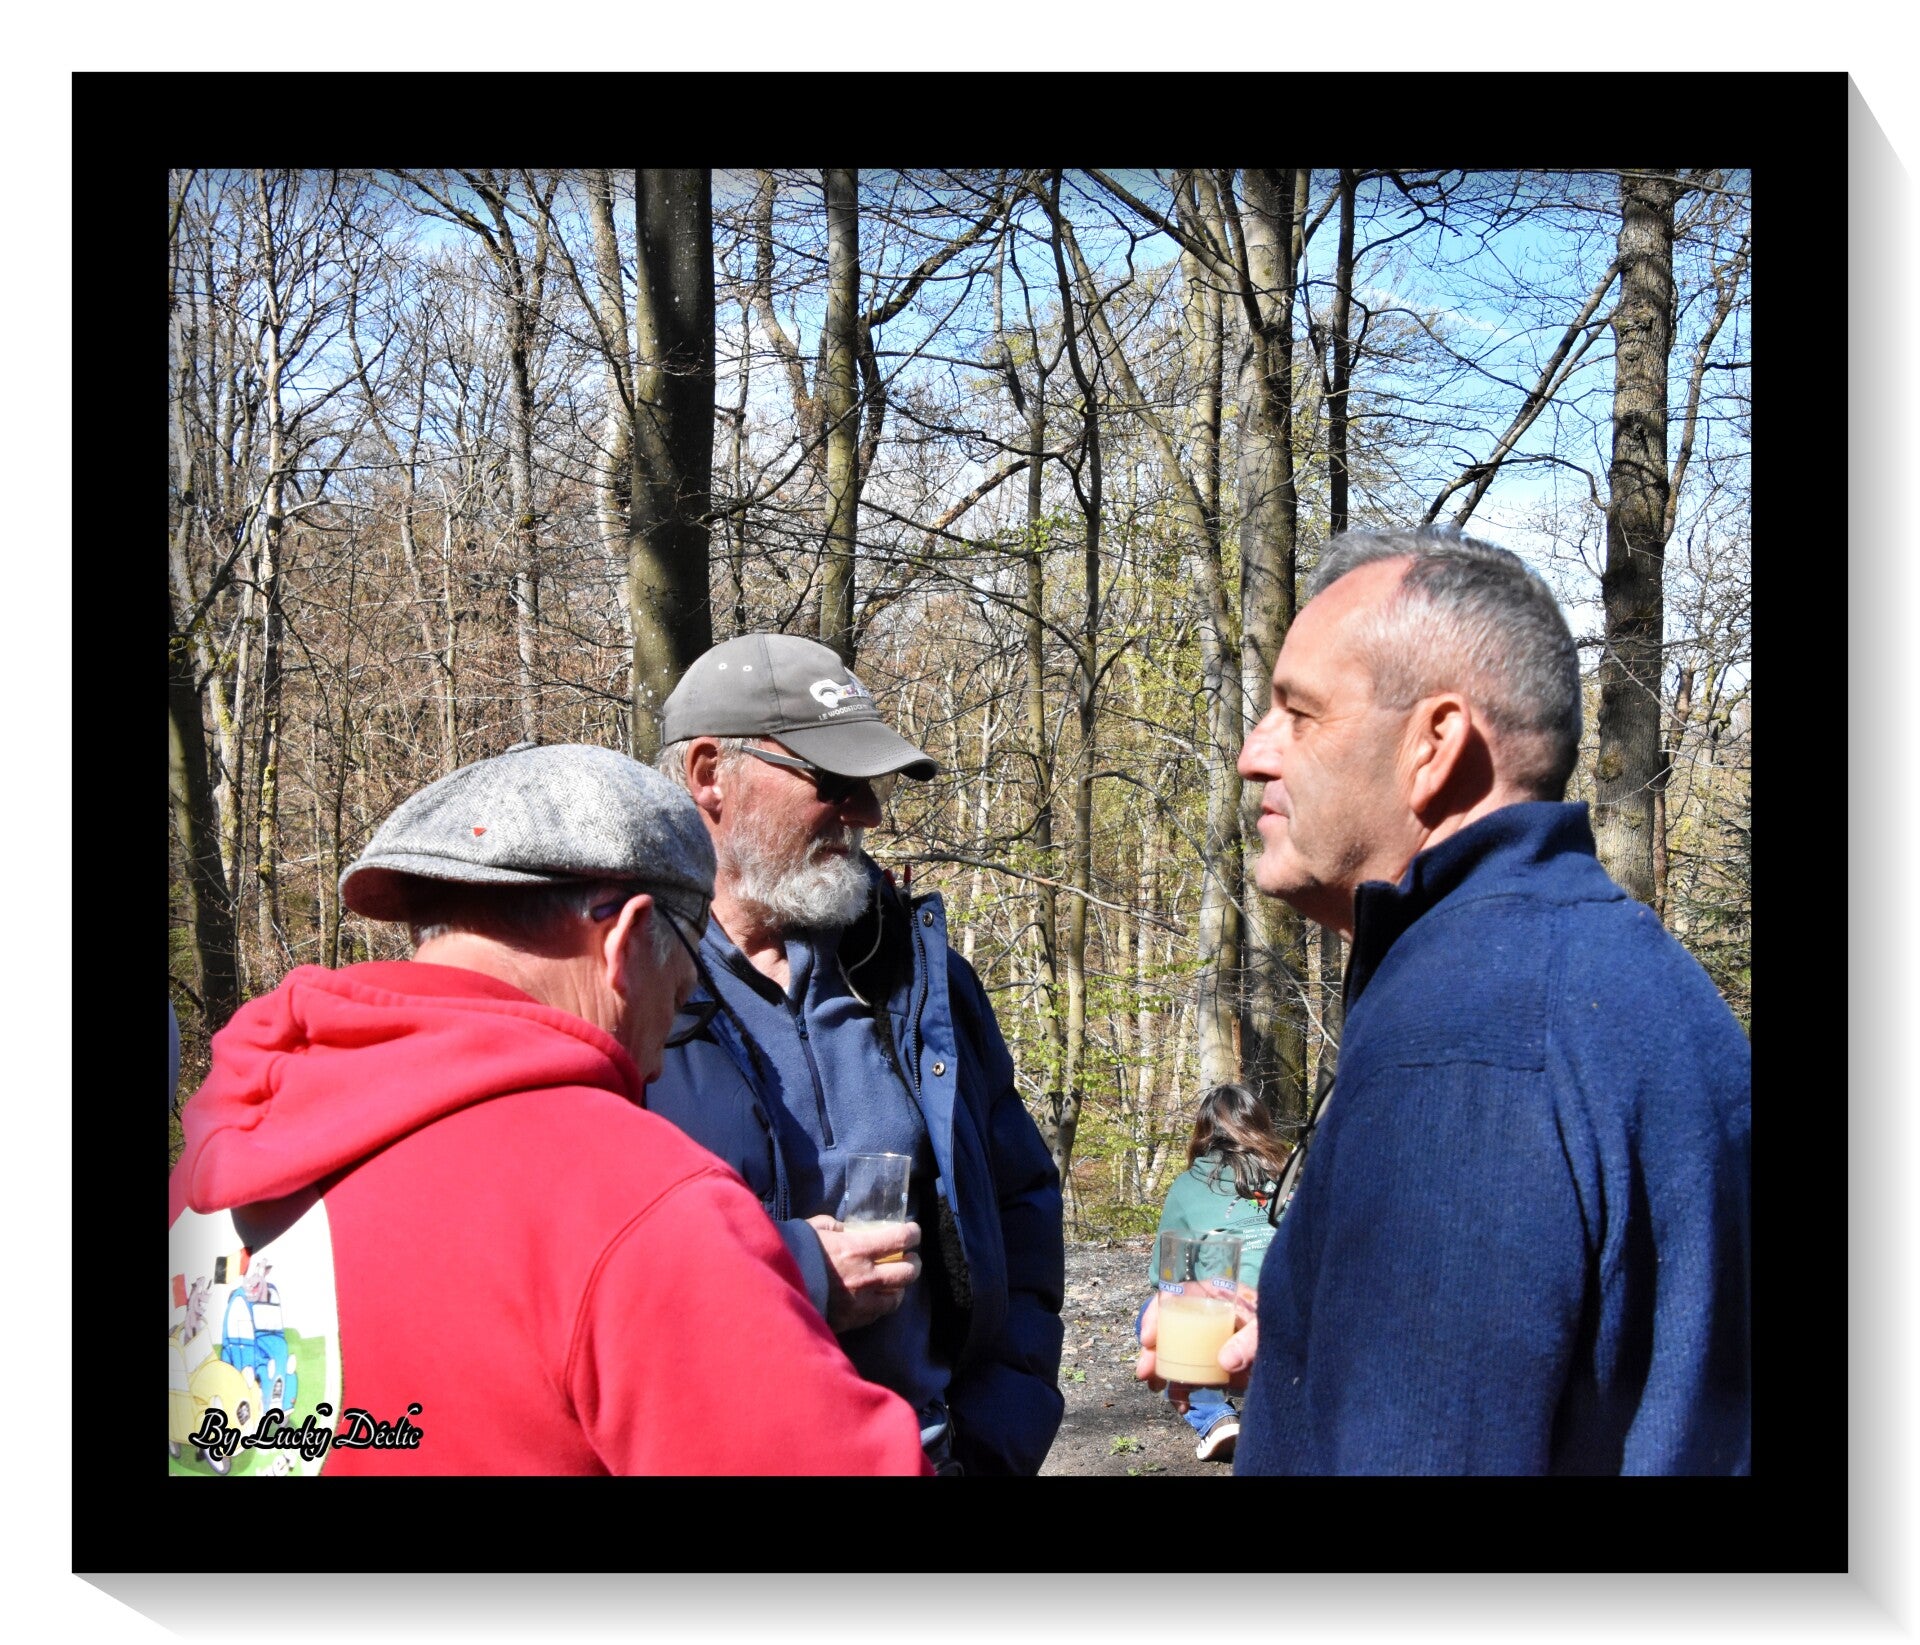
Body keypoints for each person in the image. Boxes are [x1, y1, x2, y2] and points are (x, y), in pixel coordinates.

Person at [1137, 526, 1751, 1474]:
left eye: (1299, 712)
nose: (1255, 752)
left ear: (1434, 744)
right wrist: (1313, 1336)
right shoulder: (1616, 964)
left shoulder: (1466, 1042)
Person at [167, 742, 930, 1476]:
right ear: (628, 937)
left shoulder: (227, 1157)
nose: (662, 1049)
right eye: (683, 985)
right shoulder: (634, 1201)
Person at [647, 633, 1066, 1476]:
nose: (868, 812)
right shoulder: (623, 993)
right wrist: (795, 1275)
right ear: (708, 773)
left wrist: (998, 1434)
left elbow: (1020, 1207)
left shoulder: (918, 976)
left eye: (871, 784)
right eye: (833, 781)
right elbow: (581, 1270)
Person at [1144, 1083, 1292, 1462]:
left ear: (1203, 1131)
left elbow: (1165, 1277)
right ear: (1261, 1125)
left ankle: (1215, 1419)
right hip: (1295, 1317)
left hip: (1230, 1322)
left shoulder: (1187, 1186)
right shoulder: (1292, 1176)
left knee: (1154, 1313)